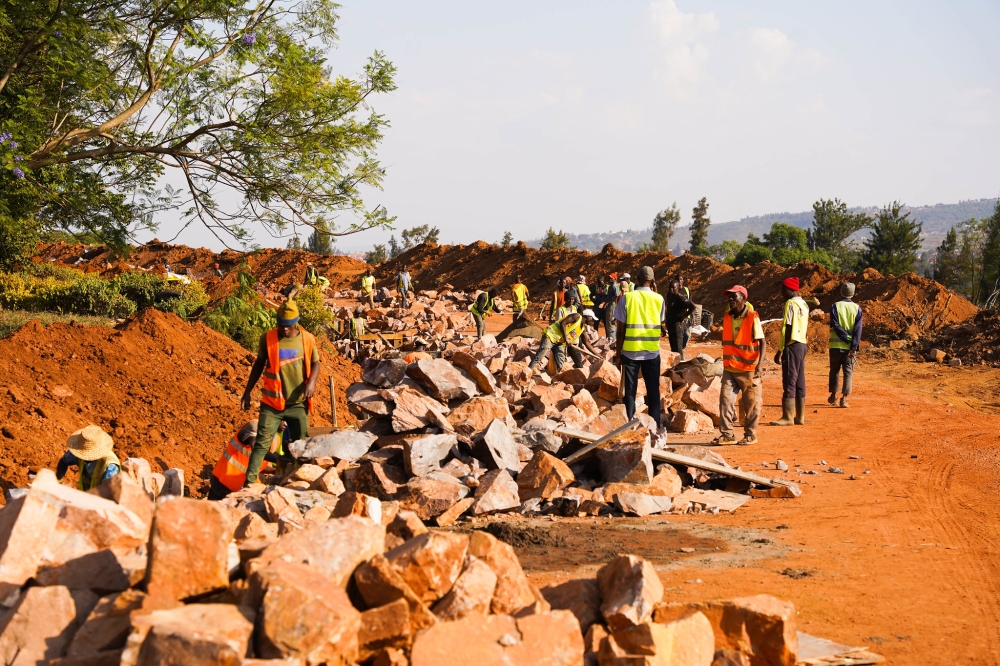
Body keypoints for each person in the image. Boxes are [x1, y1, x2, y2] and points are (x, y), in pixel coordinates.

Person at [241, 300, 321, 484]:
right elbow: (258, 365)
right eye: (281, 325)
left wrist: (312, 382)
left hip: (298, 402)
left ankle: (301, 483)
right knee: (262, 443)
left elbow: (316, 363)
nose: (284, 329)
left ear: (296, 322)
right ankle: (249, 483)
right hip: (272, 404)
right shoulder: (268, 338)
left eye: (288, 325)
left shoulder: (307, 340)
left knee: (301, 444)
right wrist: (247, 392)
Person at [713, 286, 766, 445]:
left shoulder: (752, 317)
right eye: (729, 297)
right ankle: (727, 434)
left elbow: (762, 342)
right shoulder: (727, 316)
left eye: (734, 297)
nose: (730, 300)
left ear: (743, 299)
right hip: (730, 367)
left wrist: (760, 364)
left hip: (749, 368)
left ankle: (750, 435)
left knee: (751, 403)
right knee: (726, 400)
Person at [613, 266, 666, 425]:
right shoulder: (659, 299)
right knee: (653, 391)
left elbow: (620, 331)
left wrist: (617, 354)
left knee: (630, 391)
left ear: (636, 279)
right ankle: (654, 426)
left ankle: (629, 424)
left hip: (630, 352)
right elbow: (661, 321)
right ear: (652, 281)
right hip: (651, 352)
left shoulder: (627, 298)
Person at [209, 421, 287, 500]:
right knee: (210, 511)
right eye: (284, 420)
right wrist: (281, 460)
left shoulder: (276, 439)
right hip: (224, 481)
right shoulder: (255, 426)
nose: (286, 425)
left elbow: (258, 464)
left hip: (243, 489)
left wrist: (274, 470)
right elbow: (258, 450)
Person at [771, 277, 809, 426]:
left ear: (792, 290)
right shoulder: (804, 304)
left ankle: (787, 417)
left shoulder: (790, 303)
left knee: (789, 380)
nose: (781, 293)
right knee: (800, 380)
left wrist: (781, 349)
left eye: (784, 289)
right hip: (802, 344)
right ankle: (800, 416)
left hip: (792, 344)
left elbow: (787, 327)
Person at [829, 282, 862, 408]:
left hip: (835, 347)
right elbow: (858, 330)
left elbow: (835, 325)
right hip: (850, 349)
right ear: (853, 294)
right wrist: (853, 345)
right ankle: (844, 399)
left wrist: (843, 336)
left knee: (834, 371)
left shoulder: (834, 307)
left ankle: (833, 397)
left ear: (841, 292)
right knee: (848, 373)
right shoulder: (857, 308)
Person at [56, 425, 121, 490]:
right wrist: (60, 481)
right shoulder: (79, 451)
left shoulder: (110, 467)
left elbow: (108, 493)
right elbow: (63, 461)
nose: (83, 458)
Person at [664, 278, 695, 360]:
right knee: (673, 350)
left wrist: (685, 316)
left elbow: (693, 306)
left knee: (678, 350)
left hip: (678, 327)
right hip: (671, 327)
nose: (671, 289)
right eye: (670, 287)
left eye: (673, 288)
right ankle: (675, 368)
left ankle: (680, 367)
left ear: (677, 288)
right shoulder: (670, 296)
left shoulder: (680, 298)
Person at [602, 273, 620, 339]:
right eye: (609, 278)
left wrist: (608, 302)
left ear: (615, 279)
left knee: (611, 323)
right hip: (609, 306)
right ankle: (611, 339)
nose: (609, 279)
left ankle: (612, 340)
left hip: (612, 307)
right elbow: (610, 297)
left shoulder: (614, 286)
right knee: (609, 323)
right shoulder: (611, 286)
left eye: (611, 278)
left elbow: (616, 296)